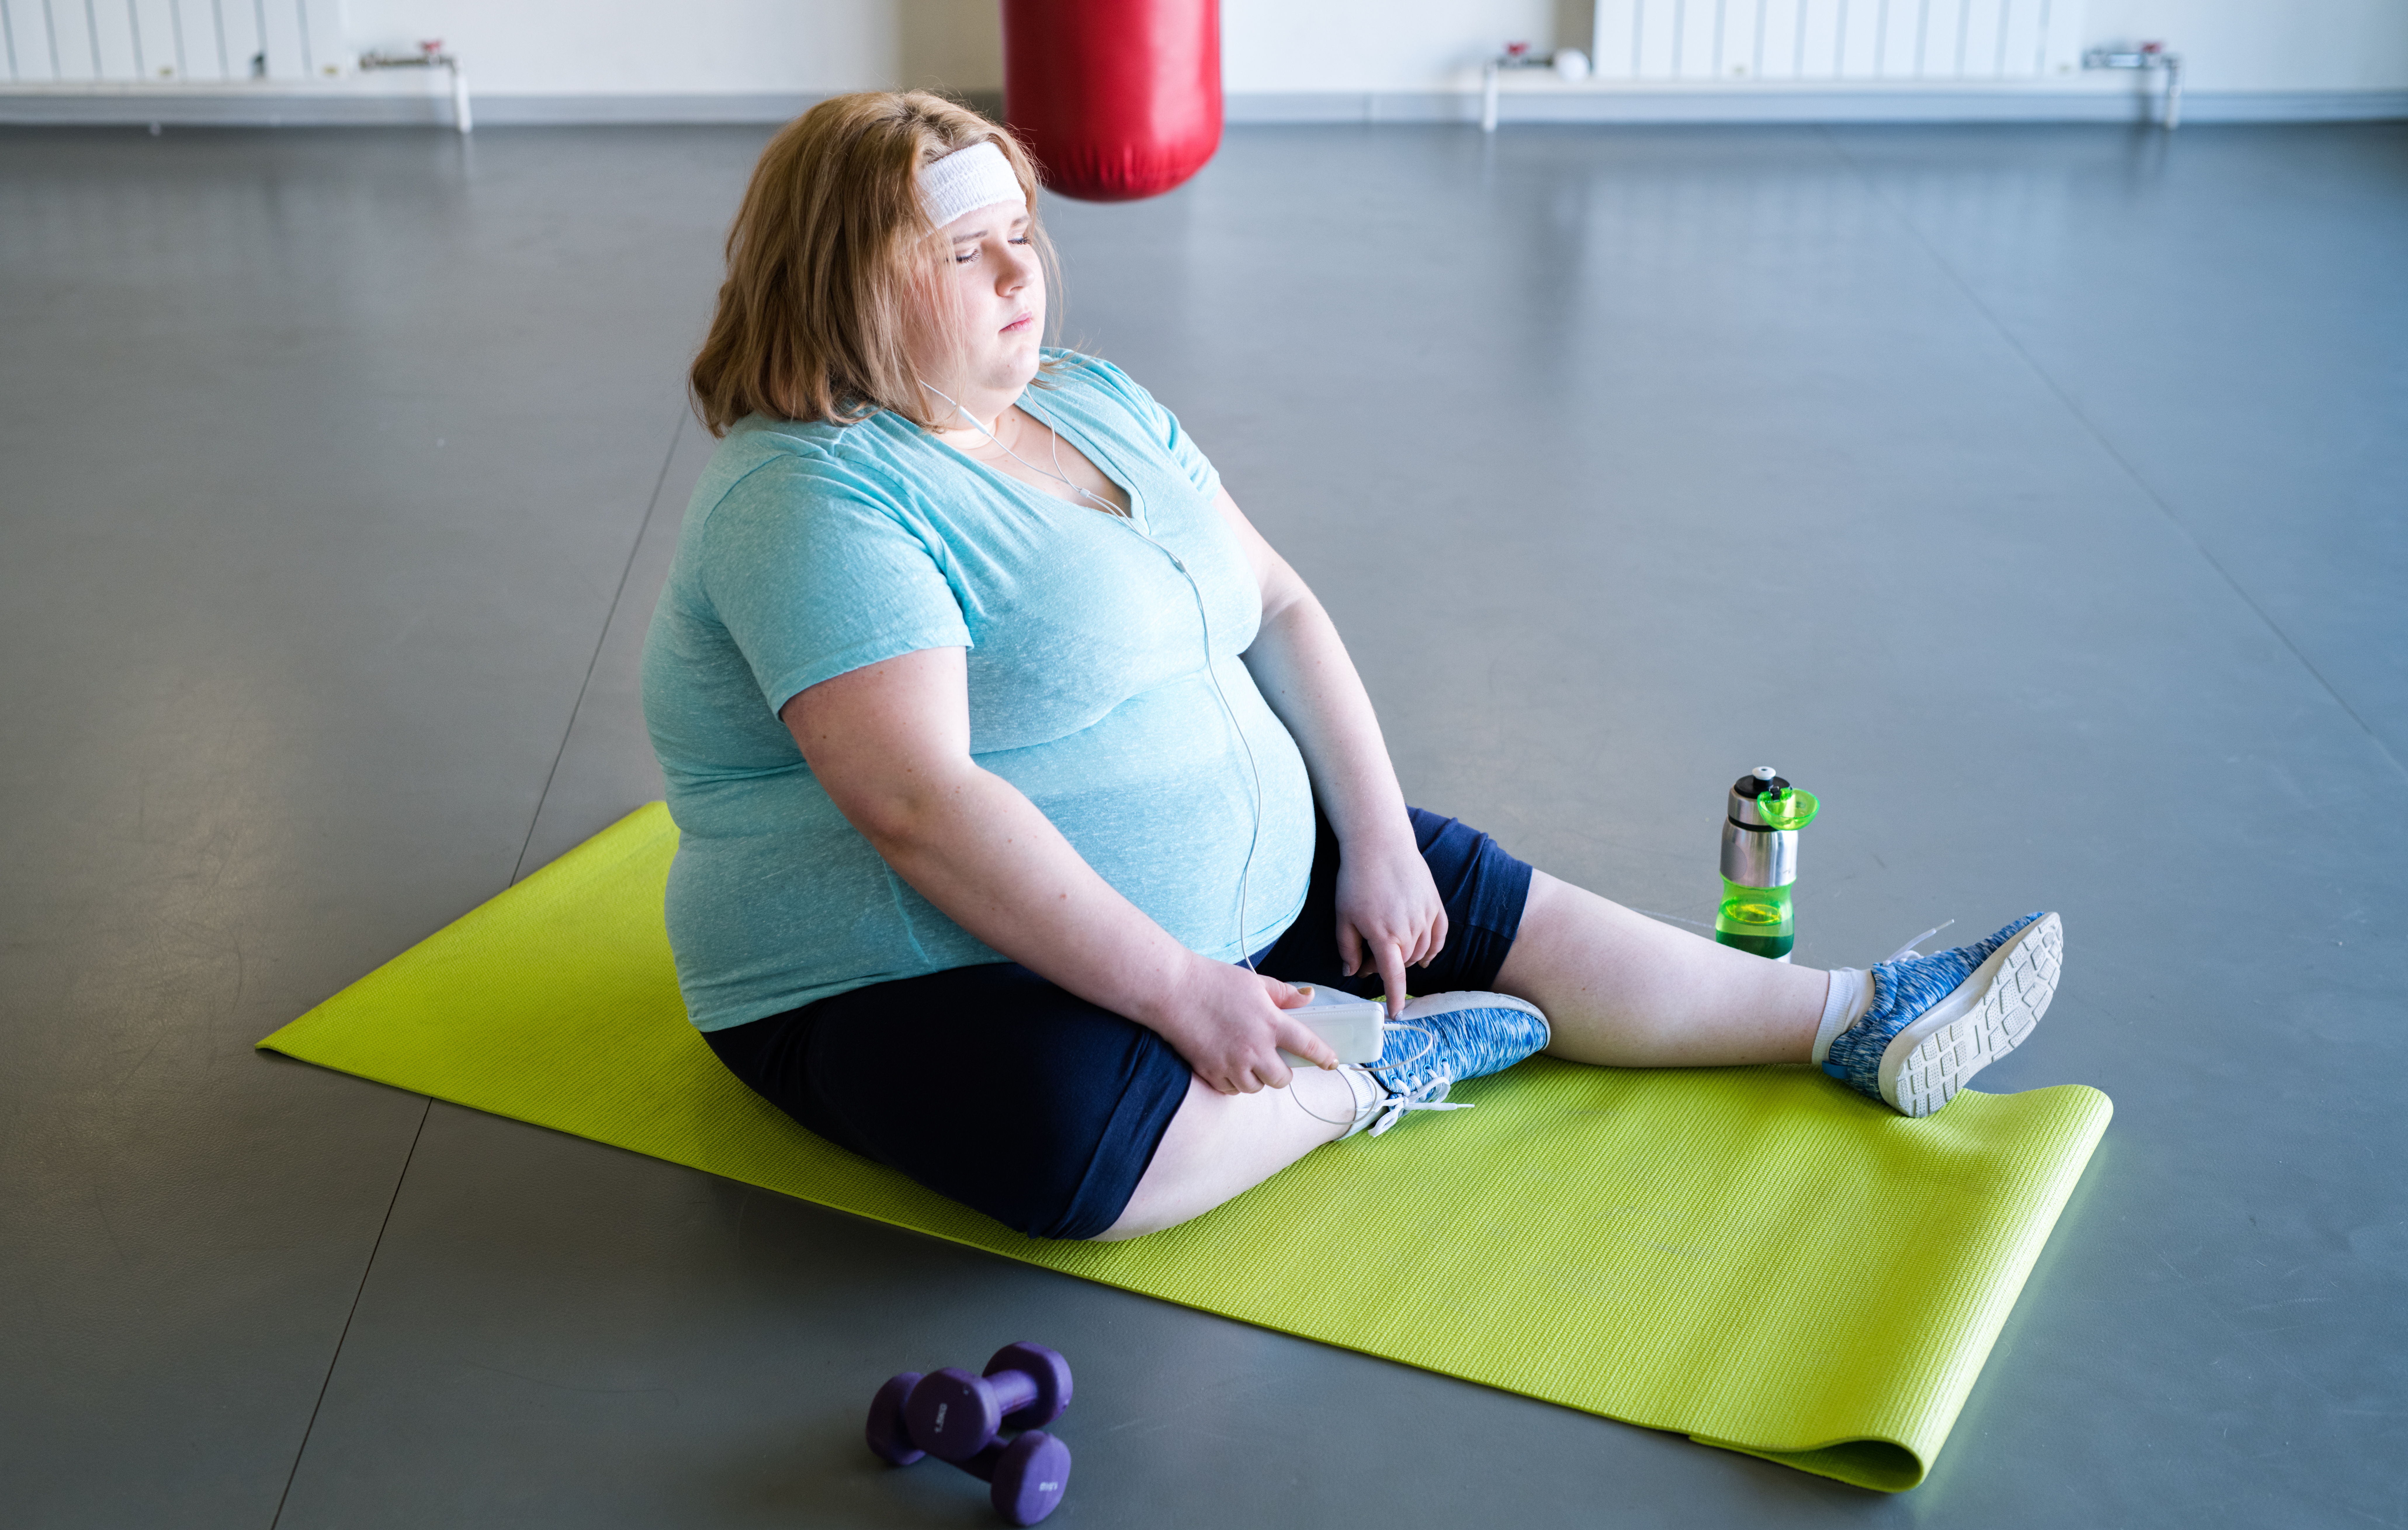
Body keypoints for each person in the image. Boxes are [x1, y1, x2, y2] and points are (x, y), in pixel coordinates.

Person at [639, 93, 2063, 1244]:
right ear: (846, 281)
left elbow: (1281, 604)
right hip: (902, 972)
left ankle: (1849, 1015)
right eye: (963, 253)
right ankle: (1376, 1070)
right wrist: (1178, 994)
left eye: (1021, 231)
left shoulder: (1089, 400)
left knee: (1459, 896)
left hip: (1229, 904)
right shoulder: (812, 498)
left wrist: (1374, 839)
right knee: (1084, 1154)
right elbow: (920, 805)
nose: (1021, 272)